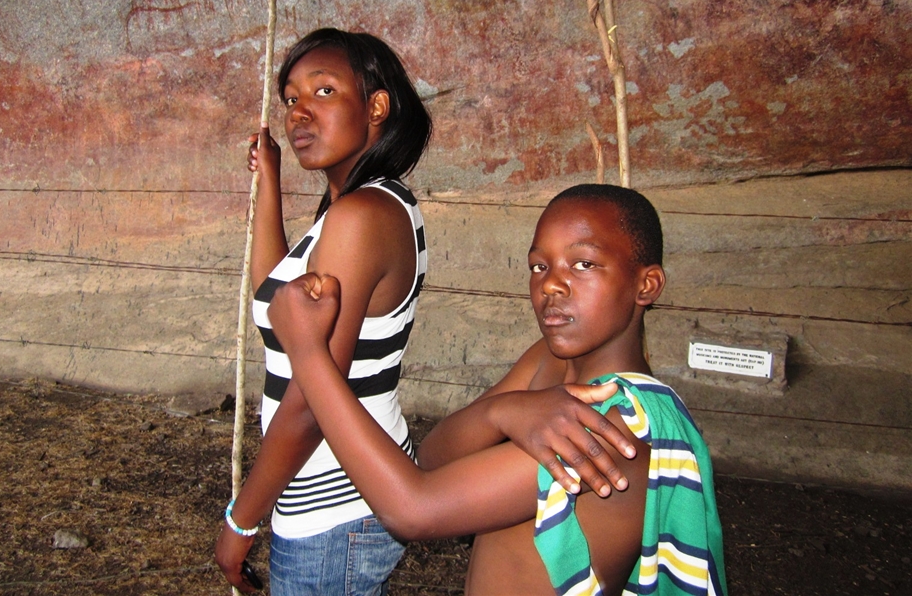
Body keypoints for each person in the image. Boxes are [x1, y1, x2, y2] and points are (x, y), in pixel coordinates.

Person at [214, 30, 636, 595]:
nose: (299, 114)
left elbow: (311, 400)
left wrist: (243, 519)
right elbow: (274, 296)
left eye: (323, 91)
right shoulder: (364, 206)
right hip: (343, 492)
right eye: (290, 99)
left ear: (377, 106)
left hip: (332, 505)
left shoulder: (360, 217)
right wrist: (269, 180)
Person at [269, 184, 728, 596]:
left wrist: (309, 353)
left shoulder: (620, 424)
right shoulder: (548, 363)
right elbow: (433, 457)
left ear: (646, 284)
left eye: (584, 263)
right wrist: (503, 413)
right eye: (538, 265)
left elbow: (413, 509)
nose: (551, 283)